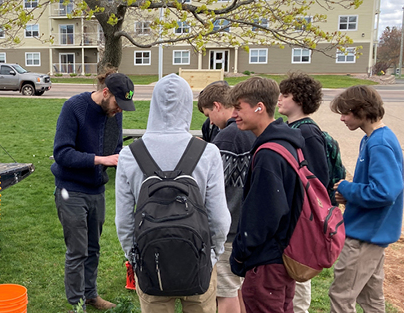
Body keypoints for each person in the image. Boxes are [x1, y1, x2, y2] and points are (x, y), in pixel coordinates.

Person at [115, 73, 230, 313]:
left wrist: (135, 258)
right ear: (187, 105)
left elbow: (124, 221)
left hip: (151, 262)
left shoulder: (129, 154)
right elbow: (219, 219)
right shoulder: (208, 152)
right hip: (198, 260)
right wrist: (211, 256)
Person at [51, 71, 136, 311]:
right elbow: (62, 153)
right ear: (106, 92)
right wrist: (100, 160)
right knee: (77, 250)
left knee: (93, 248)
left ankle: (91, 295)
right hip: (71, 189)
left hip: (97, 190)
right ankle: (77, 303)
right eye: (118, 104)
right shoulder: (74, 108)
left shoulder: (113, 113)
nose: (119, 110)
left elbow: (116, 149)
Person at [228, 76, 304, 313]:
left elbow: (264, 214)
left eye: (239, 108)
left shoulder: (268, 155)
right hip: (284, 255)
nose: (233, 115)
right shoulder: (287, 143)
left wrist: (239, 255)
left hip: (266, 262)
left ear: (259, 107)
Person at [328, 85, 404, 313]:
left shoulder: (379, 143)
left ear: (362, 110)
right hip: (373, 234)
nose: (342, 118)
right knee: (371, 299)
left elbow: (385, 192)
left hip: (364, 237)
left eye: (345, 112)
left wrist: (348, 189)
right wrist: (351, 195)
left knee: (341, 296)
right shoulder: (373, 139)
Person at [198, 81, 255, 313]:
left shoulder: (228, 137)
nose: (210, 121)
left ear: (218, 105)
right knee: (237, 289)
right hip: (247, 225)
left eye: (209, 114)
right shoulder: (250, 131)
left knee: (224, 294)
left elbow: (211, 186)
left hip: (229, 229)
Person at [278, 72, 330, 313]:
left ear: (299, 99)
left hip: (303, 215)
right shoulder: (290, 127)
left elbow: (318, 176)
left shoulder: (307, 132)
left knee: (299, 271)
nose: (279, 99)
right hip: (290, 213)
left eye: (285, 95)